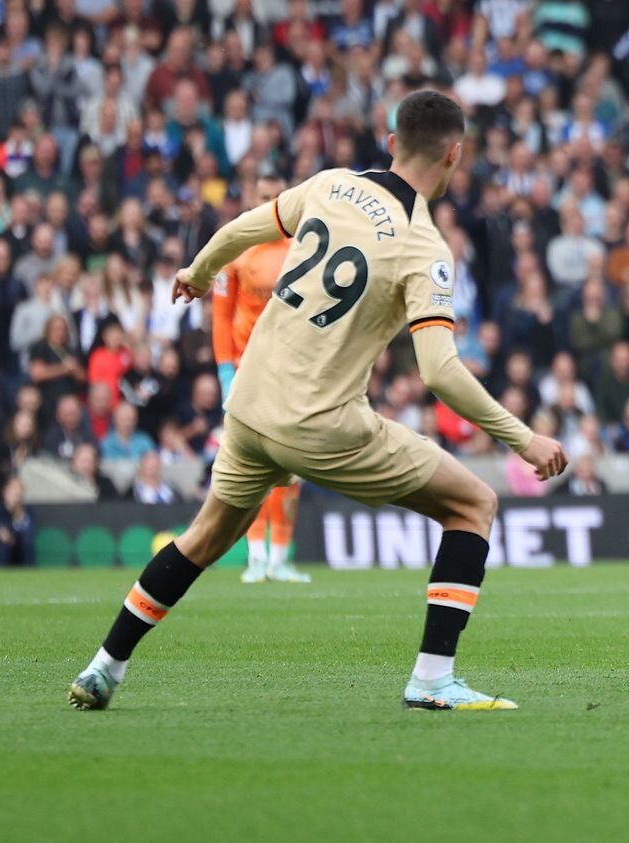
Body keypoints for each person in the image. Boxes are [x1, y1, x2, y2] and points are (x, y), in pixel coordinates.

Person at [68, 91, 567, 714]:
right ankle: (433, 678)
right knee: (474, 504)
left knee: (203, 539)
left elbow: (242, 230)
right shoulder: (424, 246)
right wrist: (524, 439)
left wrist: (197, 272)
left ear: (391, 143)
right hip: (320, 424)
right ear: (455, 154)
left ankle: (103, 669)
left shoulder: (332, 184)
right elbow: (438, 372)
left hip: (249, 407)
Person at [212, 174, 309, 585]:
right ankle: (255, 556)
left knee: (292, 465)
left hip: (291, 369)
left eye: (276, 197)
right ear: (251, 198)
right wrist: (224, 374)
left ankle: (280, 558)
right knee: (252, 465)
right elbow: (220, 316)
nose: (270, 204)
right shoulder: (234, 247)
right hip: (248, 369)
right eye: (263, 196)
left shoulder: (304, 247)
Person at [0, 475, 34, 567]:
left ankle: (29, 572)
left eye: (19, 494)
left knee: (27, 544)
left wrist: (19, 516)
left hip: (18, 544)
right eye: (13, 493)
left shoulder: (26, 511)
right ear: (5, 492)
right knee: (3, 545)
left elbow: (29, 530)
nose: (16, 497)